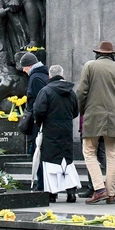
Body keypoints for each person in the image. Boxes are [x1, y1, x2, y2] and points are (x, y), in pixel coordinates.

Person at [76, 40, 115, 204]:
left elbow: (82, 91)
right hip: (113, 117)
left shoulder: (90, 66)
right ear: (112, 55)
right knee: (112, 155)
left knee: (89, 151)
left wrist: (81, 110)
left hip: (93, 116)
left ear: (98, 54)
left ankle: (99, 189)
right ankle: (111, 193)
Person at [33, 65, 79, 203]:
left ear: (49, 76)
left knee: (51, 161)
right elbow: (75, 111)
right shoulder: (71, 92)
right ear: (62, 74)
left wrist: (40, 122)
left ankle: (52, 193)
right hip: (66, 130)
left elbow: (39, 110)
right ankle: (71, 192)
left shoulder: (45, 91)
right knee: (67, 161)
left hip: (50, 130)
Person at [20, 52, 49, 190]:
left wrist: (36, 119)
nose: (23, 71)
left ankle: (41, 185)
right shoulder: (43, 74)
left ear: (29, 65)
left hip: (38, 123)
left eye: (24, 67)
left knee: (36, 152)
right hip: (44, 122)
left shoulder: (35, 77)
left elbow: (39, 101)